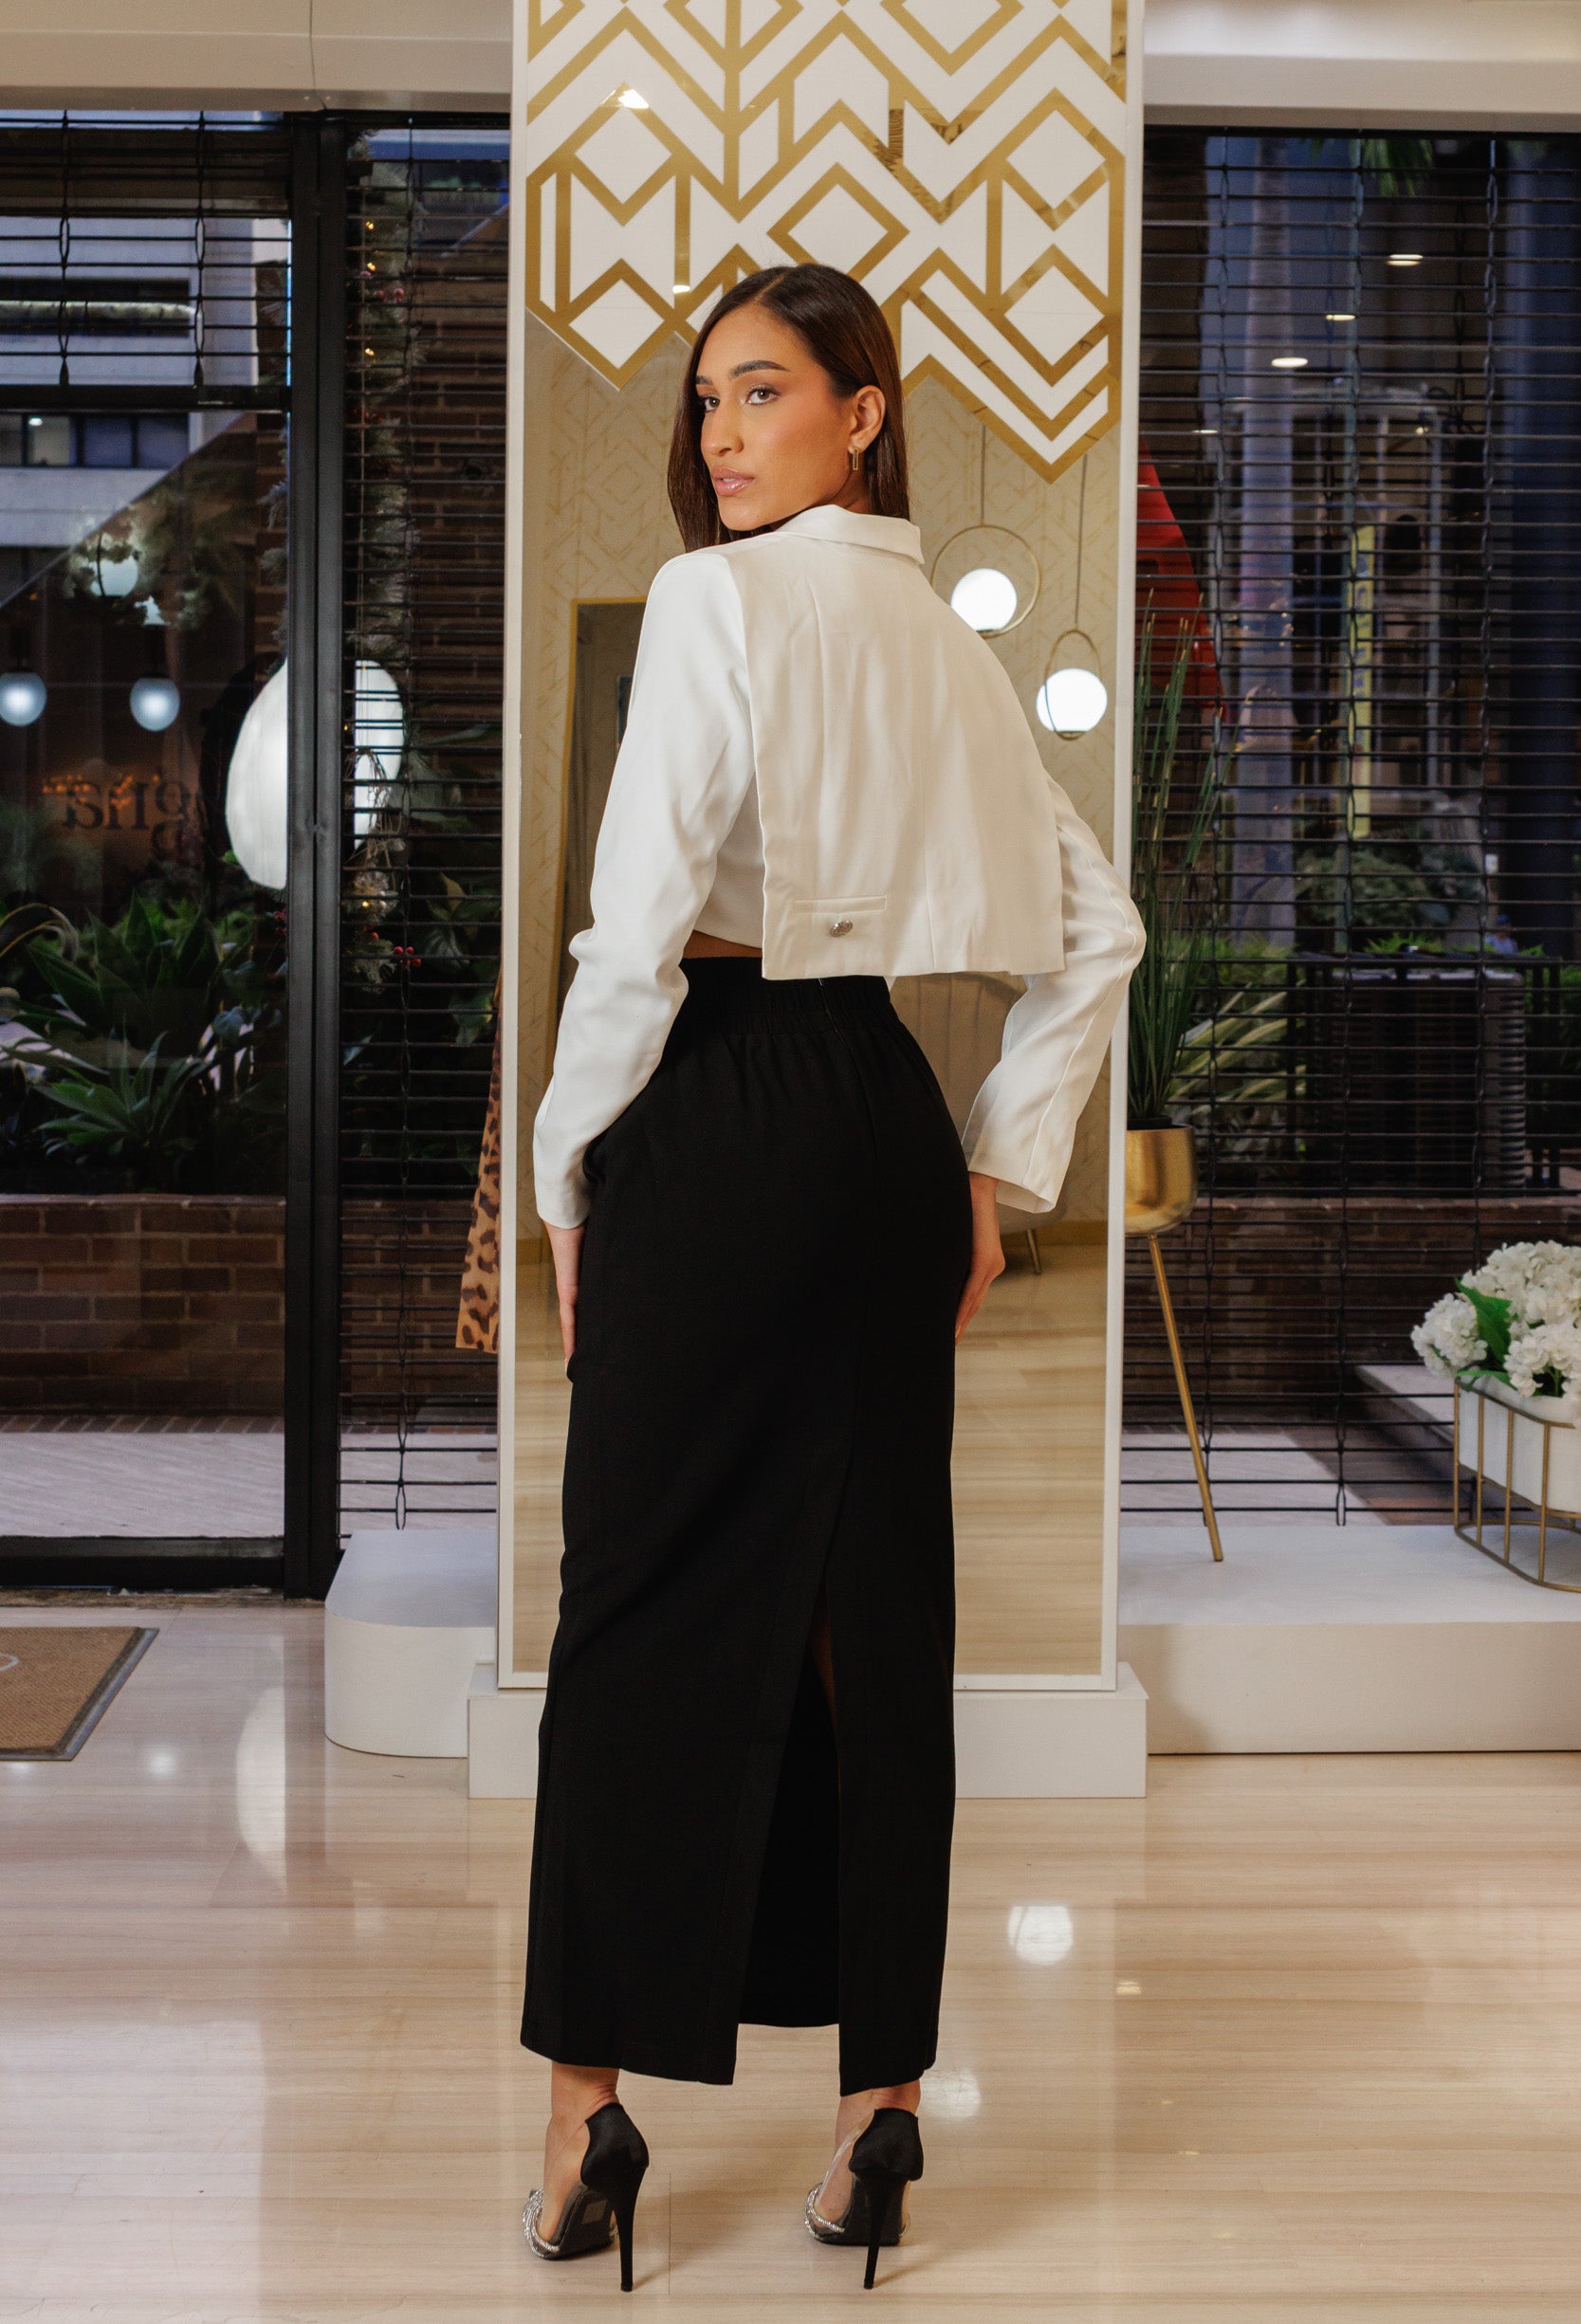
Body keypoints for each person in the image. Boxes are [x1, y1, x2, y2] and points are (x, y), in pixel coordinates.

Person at [520, 262, 1145, 2292]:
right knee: (873, 1624)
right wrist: (997, 1165)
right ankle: (881, 2118)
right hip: (881, 1117)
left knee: (634, 1611)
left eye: (763, 390)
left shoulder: (717, 602)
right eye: (706, 398)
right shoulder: (950, 639)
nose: (720, 432)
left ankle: (586, 2124)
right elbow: (1103, 933)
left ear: (866, 410)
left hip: (705, 1115)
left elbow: (635, 934)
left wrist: (563, 1167)